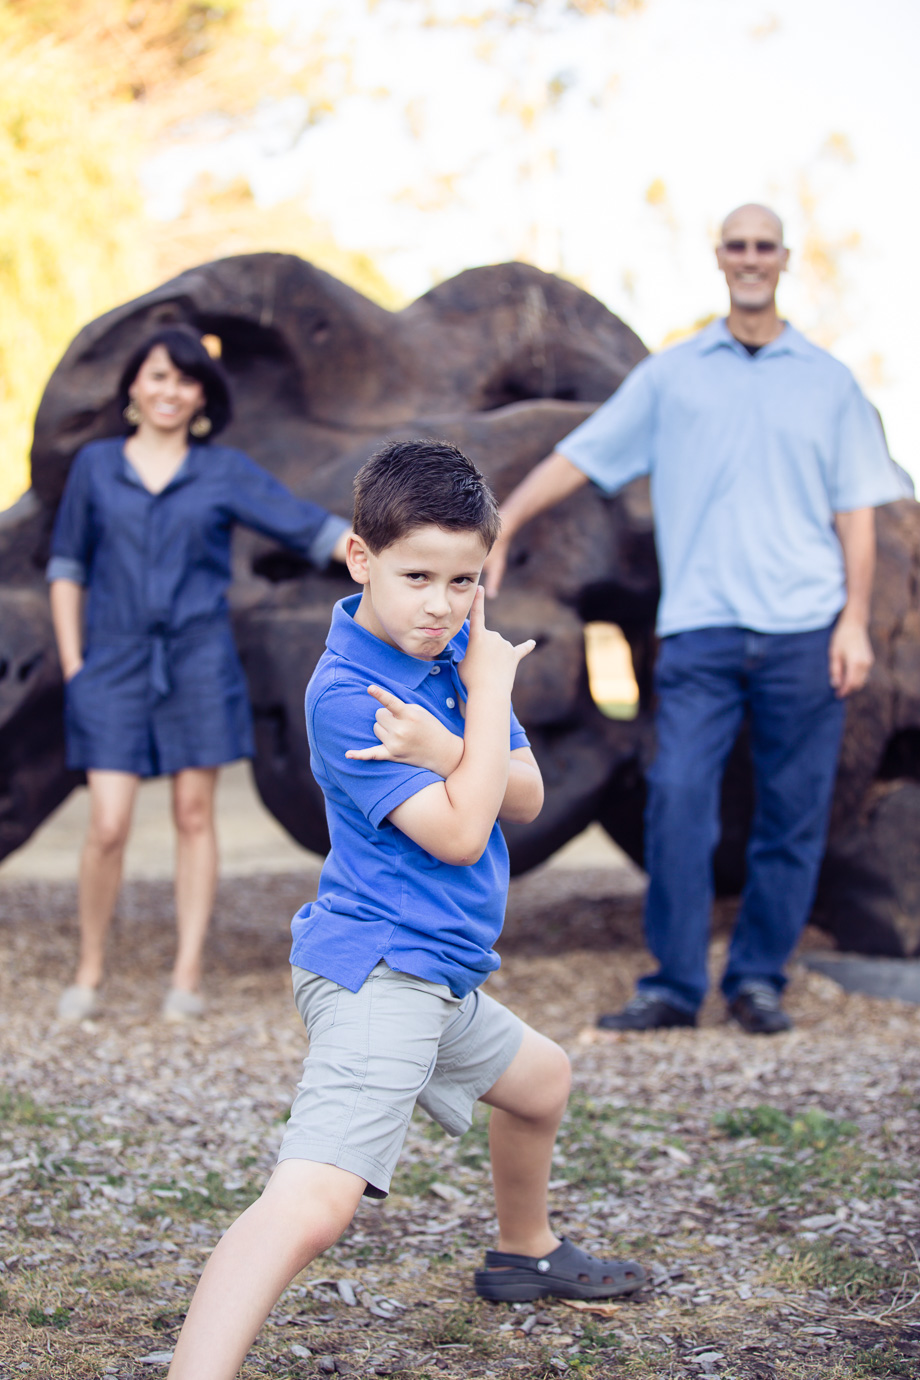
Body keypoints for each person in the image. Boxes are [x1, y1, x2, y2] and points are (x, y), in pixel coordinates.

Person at [165, 439, 646, 1380]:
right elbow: (465, 834)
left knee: (541, 1081)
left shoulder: (454, 654)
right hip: (382, 970)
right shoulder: (349, 696)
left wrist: (448, 743)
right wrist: (482, 709)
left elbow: (527, 795)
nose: (441, 604)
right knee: (315, 1206)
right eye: (418, 575)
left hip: (438, 970)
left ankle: (523, 1252)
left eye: (464, 581)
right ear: (362, 561)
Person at [484, 204, 904, 1037]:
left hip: (805, 631)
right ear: (720, 259)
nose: (750, 259)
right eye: (737, 246)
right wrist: (508, 521)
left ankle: (757, 980)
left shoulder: (828, 382)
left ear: (783, 259)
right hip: (701, 630)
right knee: (678, 800)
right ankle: (674, 983)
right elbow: (582, 455)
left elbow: (857, 512)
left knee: (794, 810)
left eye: (764, 246)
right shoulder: (672, 377)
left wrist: (854, 621)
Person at [48, 326, 351, 1024]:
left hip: (199, 658)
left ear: (201, 396)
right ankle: (89, 969)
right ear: (133, 386)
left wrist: (378, 545)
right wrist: (74, 666)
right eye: (157, 376)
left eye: (185, 380)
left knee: (193, 814)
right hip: (112, 662)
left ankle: (186, 974)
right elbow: (67, 568)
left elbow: (301, 524)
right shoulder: (96, 467)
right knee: (108, 823)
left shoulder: (222, 472)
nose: (170, 391)